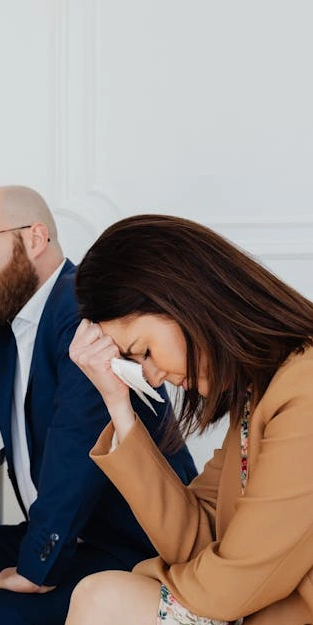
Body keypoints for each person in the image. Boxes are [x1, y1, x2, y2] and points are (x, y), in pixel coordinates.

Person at [0, 186, 198, 625]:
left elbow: (76, 449)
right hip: (61, 534)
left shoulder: (88, 312)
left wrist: (35, 571)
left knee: (0, 615)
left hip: (130, 545)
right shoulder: (10, 332)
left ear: (35, 238)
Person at [67, 214, 313, 625]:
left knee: (102, 598)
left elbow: (231, 588)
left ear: (186, 298)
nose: (152, 376)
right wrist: (119, 406)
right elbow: (197, 538)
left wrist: (139, 580)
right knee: (102, 597)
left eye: (143, 351)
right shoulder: (261, 395)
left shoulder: (304, 389)